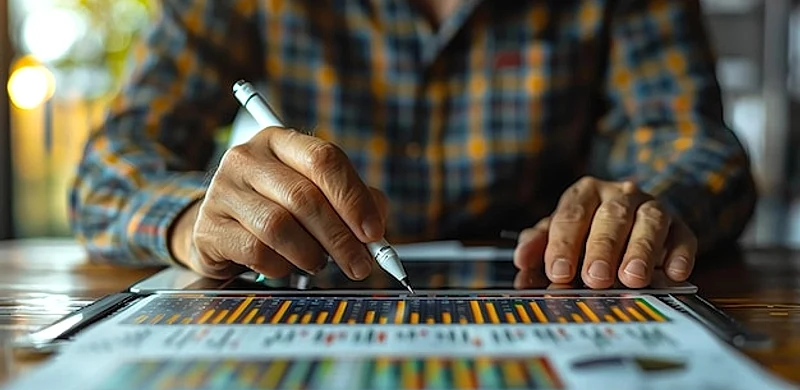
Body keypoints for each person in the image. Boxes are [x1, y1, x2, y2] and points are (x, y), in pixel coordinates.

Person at [69, 0, 756, 290]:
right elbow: (110, 165)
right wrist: (196, 221)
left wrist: (644, 210)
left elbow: (700, 148)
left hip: (546, 290)